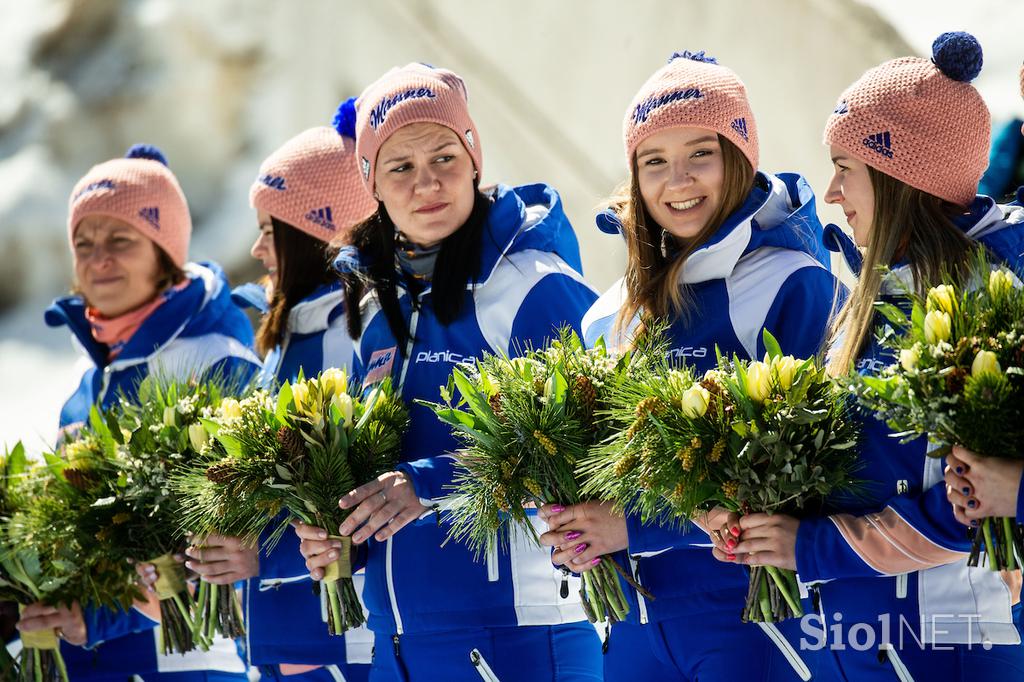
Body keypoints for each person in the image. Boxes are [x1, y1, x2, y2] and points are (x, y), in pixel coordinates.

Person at [713, 32, 1024, 680]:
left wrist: (814, 547)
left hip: (948, 639)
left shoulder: (985, 298)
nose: (830, 192)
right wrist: (757, 511)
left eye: (845, 167)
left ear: (897, 174)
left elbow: (965, 508)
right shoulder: (872, 295)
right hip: (852, 643)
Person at [538, 50, 840, 682]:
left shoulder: (791, 281)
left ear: (741, 156)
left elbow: (808, 472)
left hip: (752, 617)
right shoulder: (613, 312)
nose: (677, 183)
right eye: (654, 162)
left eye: (700, 153)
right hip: (633, 626)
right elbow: (600, 470)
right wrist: (574, 531)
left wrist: (630, 526)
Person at [293, 63, 602, 681]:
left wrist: (426, 483)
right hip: (400, 642)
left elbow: (588, 449)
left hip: (517, 633)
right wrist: (344, 533)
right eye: (400, 167)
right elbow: (379, 469)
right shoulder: (381, 311)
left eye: (444, 158)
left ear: (475, 159)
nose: (426, 184)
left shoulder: (533, 288)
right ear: (371, 182)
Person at [17, 145, 259, 680]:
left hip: (187, 660)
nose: (98, 258)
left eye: (120, 240)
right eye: (84, 243)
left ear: (164, 254)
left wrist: (100, 618)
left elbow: (224, 541)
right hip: (97, 660)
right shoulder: (90, 385)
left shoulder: (213, 359)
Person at [187, 98, 378, 682]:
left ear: (313, 235)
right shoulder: (285, 339)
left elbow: (358, 498)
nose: (256, 250)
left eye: (270, 230)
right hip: (277, 642)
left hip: (344, 644)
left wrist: (259, 553)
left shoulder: (354, 333)